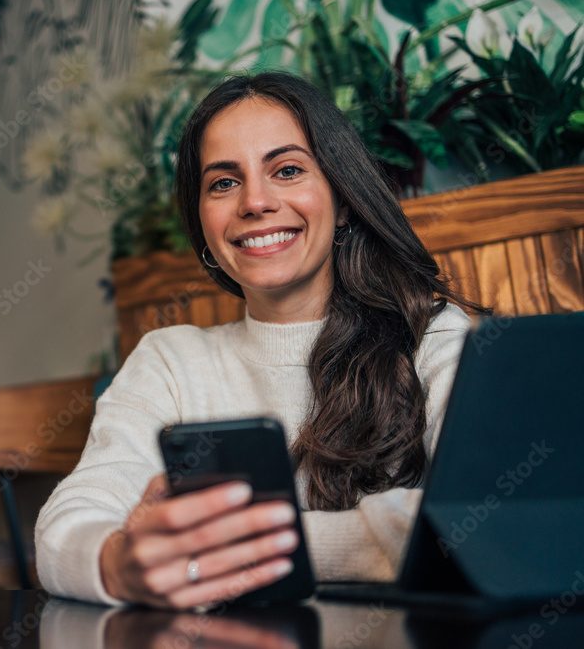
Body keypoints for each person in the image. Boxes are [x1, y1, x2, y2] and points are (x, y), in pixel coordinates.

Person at [35, 71, 487, 610]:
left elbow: (481, 518)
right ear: (202, 223)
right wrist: (118, 563)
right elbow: (67, 528)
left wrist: (239, 549)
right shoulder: (169, 361)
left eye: (288, 170)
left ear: (342, 200)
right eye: (223, 183)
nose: (255, 201)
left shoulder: (431, 337)